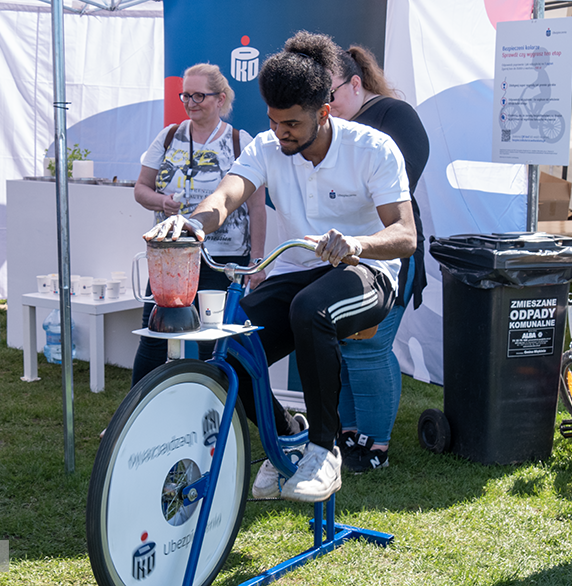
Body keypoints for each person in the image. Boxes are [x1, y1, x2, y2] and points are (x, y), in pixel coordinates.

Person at [144, 32, 416, 502]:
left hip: (369, 271)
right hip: (298, 270)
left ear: (324, 112)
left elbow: (406, 237)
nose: (281, 132)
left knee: (311, 309)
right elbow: (227, 194)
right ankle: (287, 433)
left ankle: (324, 450)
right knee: (231, 342)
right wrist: (193, 224)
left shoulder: (372, 148)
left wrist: (356, 242)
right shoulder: (268, 146)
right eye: (273, 121)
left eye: (291, 123)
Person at [131, 63, 267, 385]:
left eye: (198, 96)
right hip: (171, 255)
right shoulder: (168, 137)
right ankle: (133, 415)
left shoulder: (239, 141)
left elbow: (257, 207)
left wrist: (257, 260)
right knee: (154, 335)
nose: (190, 103)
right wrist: (163, 202)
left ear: (220, 99)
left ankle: (206, 413)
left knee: (211, 340)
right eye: (185, 95)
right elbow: (141, 189)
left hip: (221, 259)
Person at [328, 46, 430, 473]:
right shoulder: (333, 125)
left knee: (368, 346)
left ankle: (375, 446)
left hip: (387, 253)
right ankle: (349, 435)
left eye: (329, 92)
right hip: (343, 254)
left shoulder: (392, 115)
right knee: (344, 347)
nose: (324, 104)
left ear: (355, 83)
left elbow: (398, 185)